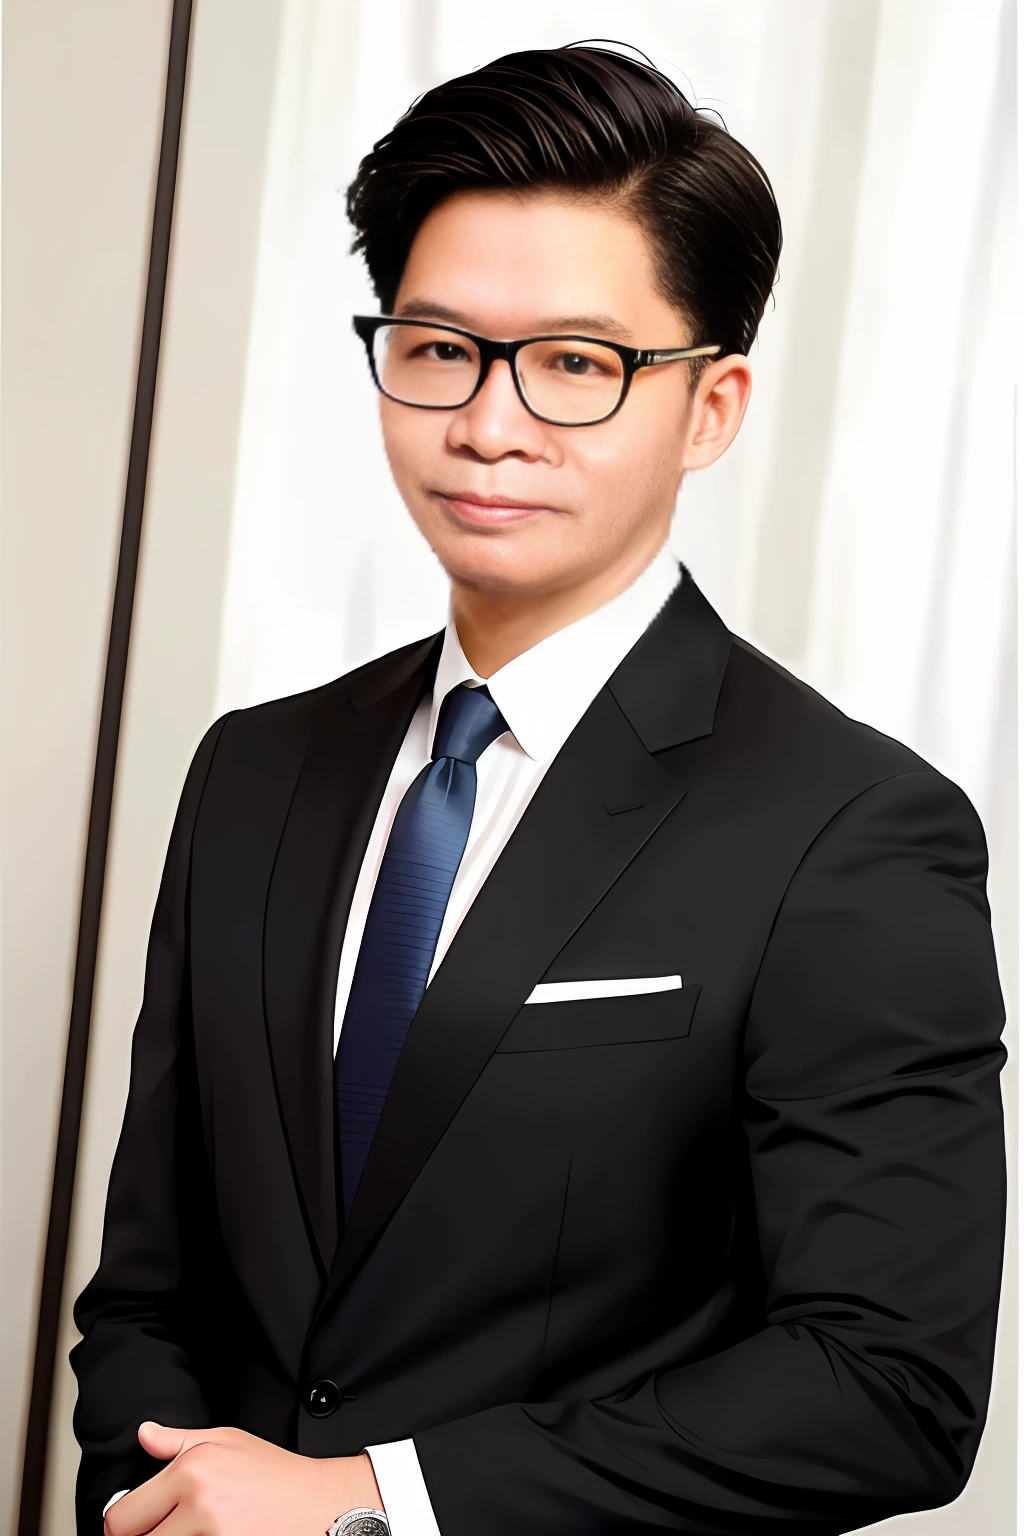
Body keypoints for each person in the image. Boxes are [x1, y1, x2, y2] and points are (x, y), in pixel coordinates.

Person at [72, 42, 1006, 1536]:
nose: (488, 425)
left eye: (578, 364)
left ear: (711, 406)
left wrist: (370, 1502)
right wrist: (151, 1496)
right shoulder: (253, 769)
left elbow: (884, 1384)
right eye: (440, 347)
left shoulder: (848, 830)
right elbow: (147, 1287)